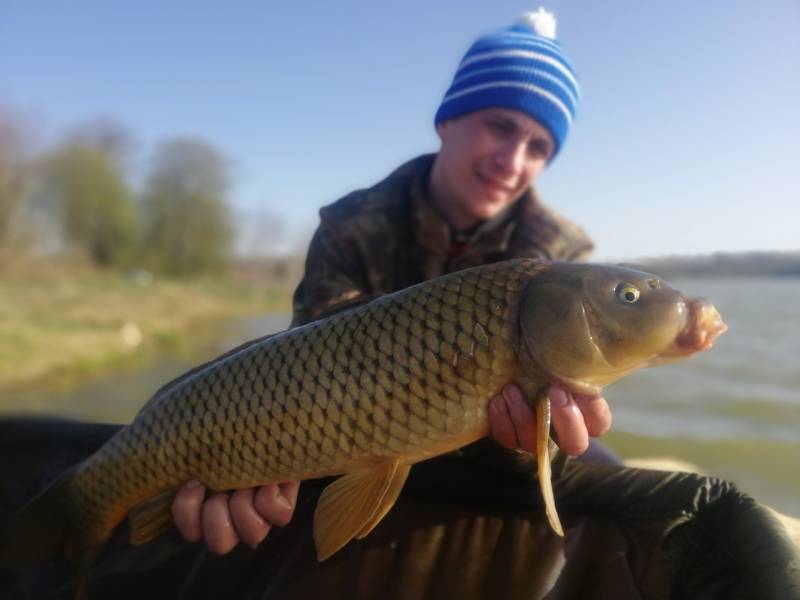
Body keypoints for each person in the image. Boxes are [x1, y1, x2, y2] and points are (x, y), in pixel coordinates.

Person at [172, 8, 614, 556]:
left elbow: (558, 411)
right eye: (500, 126)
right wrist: (246, 461)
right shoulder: (352, 225)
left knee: (606, 478)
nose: (513, 160)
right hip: (346, 429)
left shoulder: (564, 261)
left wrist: (542, 441)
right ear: (448, 120)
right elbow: (297, 377)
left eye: (538, 146)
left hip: (488, 457)